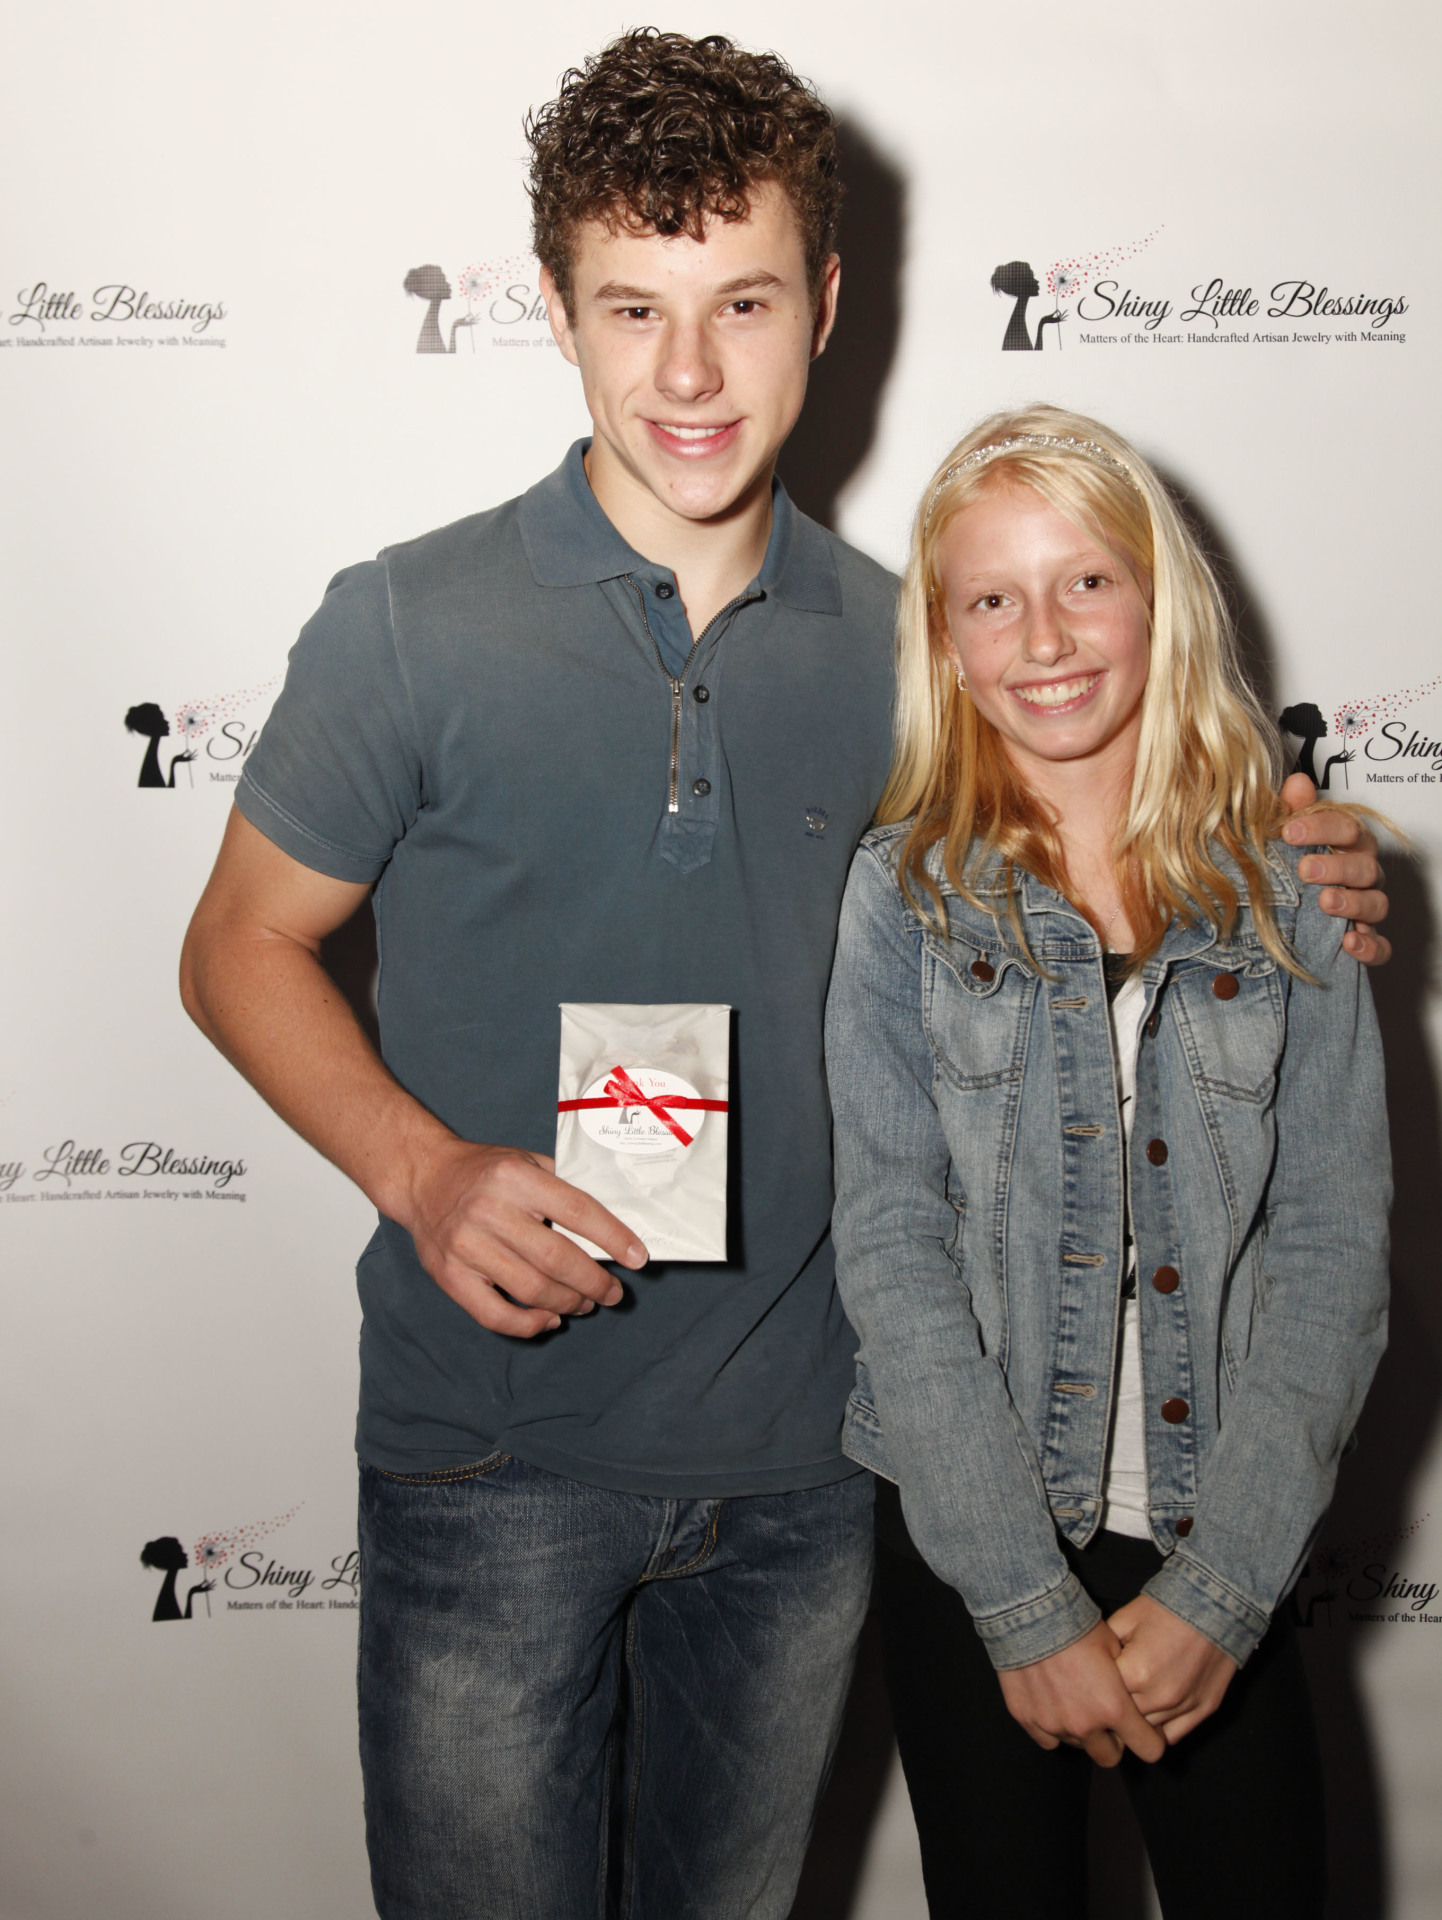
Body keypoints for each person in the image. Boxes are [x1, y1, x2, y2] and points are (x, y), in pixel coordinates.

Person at [178, 33, 1390, 1920]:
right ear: (555, 315)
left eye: (738, 303)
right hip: (491, 1454)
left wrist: (1305, 865)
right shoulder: (407, 621)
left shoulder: (921, 657)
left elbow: (1107, 837)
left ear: (823, 305)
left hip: (811, 1480)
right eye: (630, 308)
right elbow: (238, 944)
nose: (685, 373)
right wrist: (421, 1171)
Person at [825, 405, 1392, 1920]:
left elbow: (1337, 1247)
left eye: (1085, 581)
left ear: (1159, 598)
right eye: (989, 598)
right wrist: (1020, 1606)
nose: (1043, 636)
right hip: (975, 1543)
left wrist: (1219, 1595)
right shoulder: (900, 899)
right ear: (943, 644)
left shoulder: (1293, 886)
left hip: (1227, 1539)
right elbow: (889, 1249)